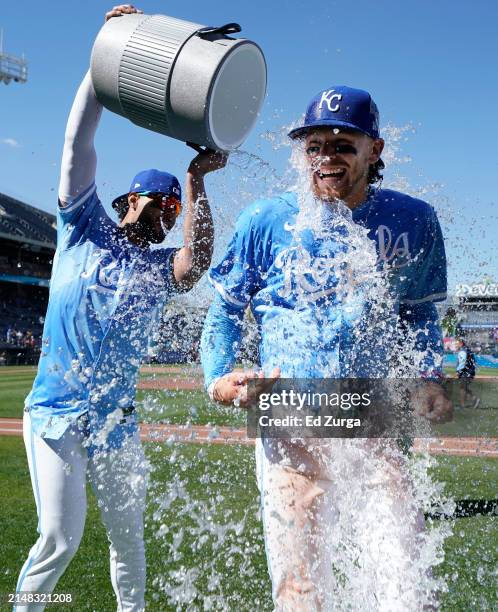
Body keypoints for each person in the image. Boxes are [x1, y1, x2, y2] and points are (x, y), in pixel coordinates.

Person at [201, 85, 452, 609]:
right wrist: (218, 375)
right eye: (313, 146)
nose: (325, 158)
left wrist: (428, 374)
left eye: (341, 145)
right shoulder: (266, 219)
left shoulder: (415, 220)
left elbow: (419, 313)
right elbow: (223, 310)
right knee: (302, 592)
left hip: (372, 412)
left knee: (406, 584)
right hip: (290, 414)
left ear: (374, 150)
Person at [15, 5, 226, 611]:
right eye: (160, 203)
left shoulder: (161, 270)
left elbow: (198, 263)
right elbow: (77, 137)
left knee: (128, 541)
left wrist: (196, 183)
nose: (168, 215)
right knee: (58, 538)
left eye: (173, 209)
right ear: (131, 199)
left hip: (116, 420)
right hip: (56, 413)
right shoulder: (80, 227)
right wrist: (107, 57)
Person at [456, 338, 480, 409]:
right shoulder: (467, 350)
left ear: (461, 343)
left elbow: (462, 363)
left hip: (466, 372)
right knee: (464, 387)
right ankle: (475, 399)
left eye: (457, 343)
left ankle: (463, 405)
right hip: (470, 372)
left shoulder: (463, 351)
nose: (456, 344)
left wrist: (458, 372)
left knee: (462, 388)